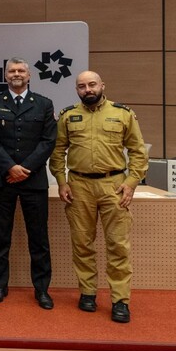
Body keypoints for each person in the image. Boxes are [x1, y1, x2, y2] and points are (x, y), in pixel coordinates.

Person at [50, 71, 148, 324]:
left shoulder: (123, 114)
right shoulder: (68, 116)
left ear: (102, 85)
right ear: (77, 90)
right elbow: (57, 152)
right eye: (81, 86)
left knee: (118, 245)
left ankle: (120, 300)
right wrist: (62, 181)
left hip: (114, 186)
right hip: (79, 186)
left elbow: (138, 152)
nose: (87, 89)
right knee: (82, 244)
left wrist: (131, 183)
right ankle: (88, 293)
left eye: (92, 84)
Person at [0, 57, 57, 309]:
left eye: (21, 70)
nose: (16, 74)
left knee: (39, 238)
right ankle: (0, 286)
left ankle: (42, 289)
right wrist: (10, 167)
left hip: (34, 181)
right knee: (0, 236)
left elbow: (48, 141)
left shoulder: (44, 105)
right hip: (2, 180)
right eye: (12, 71)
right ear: (5, 76)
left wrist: (25, 169)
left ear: (29, 75)